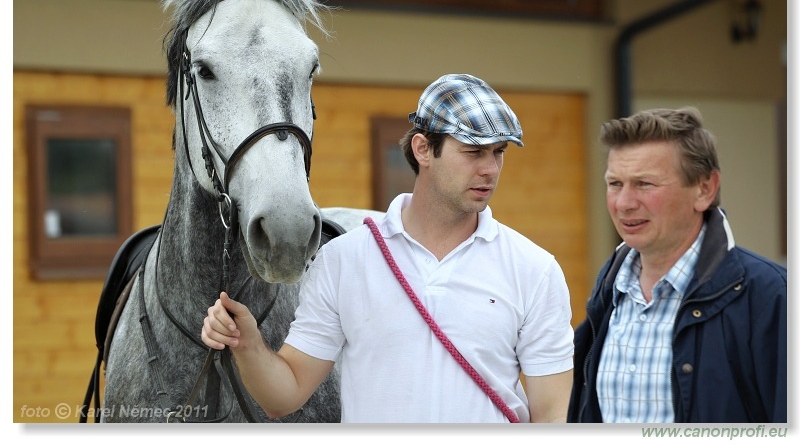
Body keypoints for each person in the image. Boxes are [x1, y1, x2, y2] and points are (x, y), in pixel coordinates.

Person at [202, 73, 574, 423]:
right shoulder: (342, 261)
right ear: (423, 149)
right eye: (473, 152)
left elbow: (552, 416)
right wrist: (247, 343)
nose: (490, 169)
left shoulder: (534, 270)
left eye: (498, 152)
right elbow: (285, 394)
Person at [568, 107, 787, 423]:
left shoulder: (772, 297)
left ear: (704, 189)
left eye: (644, 184)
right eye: (615, 183)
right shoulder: (608, 293)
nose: (624, 203)